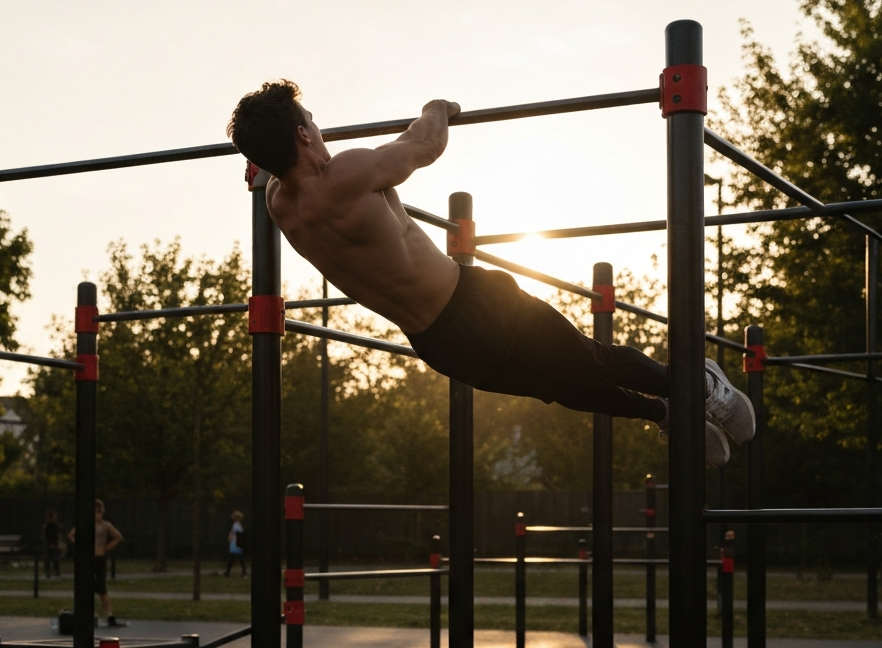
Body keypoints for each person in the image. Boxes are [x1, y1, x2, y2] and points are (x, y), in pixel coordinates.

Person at [226, 81, 754, 464]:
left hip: (438, 345)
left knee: (567, 386)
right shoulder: (350, 173)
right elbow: (425, 144)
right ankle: (701, 387)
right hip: (473, 304)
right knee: (588, 364)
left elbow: (280, 173)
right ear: (301, 134)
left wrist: (261, 158)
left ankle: (666, 413)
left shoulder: (279, 205)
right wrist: (438, 106)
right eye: (313, 121)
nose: (321, 129)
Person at [68, 499, 125, 627]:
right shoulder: (86, 524)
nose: (97, 516)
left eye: (99, 513)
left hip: (99, 558)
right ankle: (91, 615)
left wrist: (107, 547)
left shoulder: (105, 525)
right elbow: (71, 534)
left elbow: (118, 537)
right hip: (89, 559)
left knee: (102, 588)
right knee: (88, 587)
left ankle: (110, 615)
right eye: (95, 513)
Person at [224, 510, 246, 577]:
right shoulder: (238, 525)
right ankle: (228, 572)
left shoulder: (236, 525)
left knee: (236, 558)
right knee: (233, 558)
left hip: (235, 544)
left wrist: (231, 537)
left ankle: (228, 572)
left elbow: (238, 534)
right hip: (235, 543)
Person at [42, 509, 62, 578]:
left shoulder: (55, 525)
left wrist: (56, 543)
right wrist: (51, 544)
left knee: (55, 559)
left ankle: (57, 572)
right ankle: (48, 572)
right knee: (48, 559)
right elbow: (48, 535)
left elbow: (56, 535)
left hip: (55, 543)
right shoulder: (48, 525)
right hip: (49, 543)